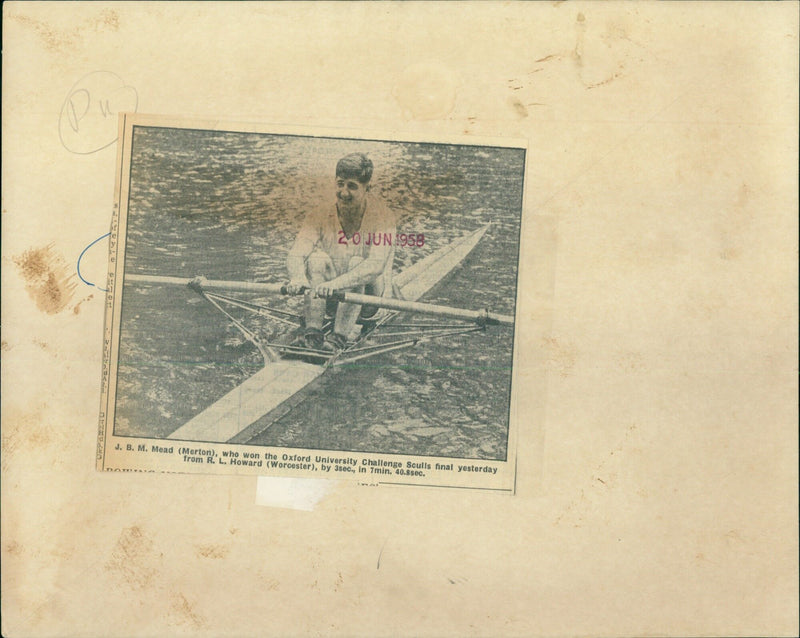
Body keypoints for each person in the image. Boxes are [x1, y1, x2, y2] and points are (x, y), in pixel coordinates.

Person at [285, 152, 396, 353]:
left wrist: (334, 285)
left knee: (356, 263)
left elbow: (374, 267)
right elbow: (296, 254)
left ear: (367, 188)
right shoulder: (319, 214)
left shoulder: (383, 218)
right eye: (340, 184)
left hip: (369, 303)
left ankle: (339, 338)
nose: (344, 192)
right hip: (333, 295)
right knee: (316, 259)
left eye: (352, 186)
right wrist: (297, 277)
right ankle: (313, 334)